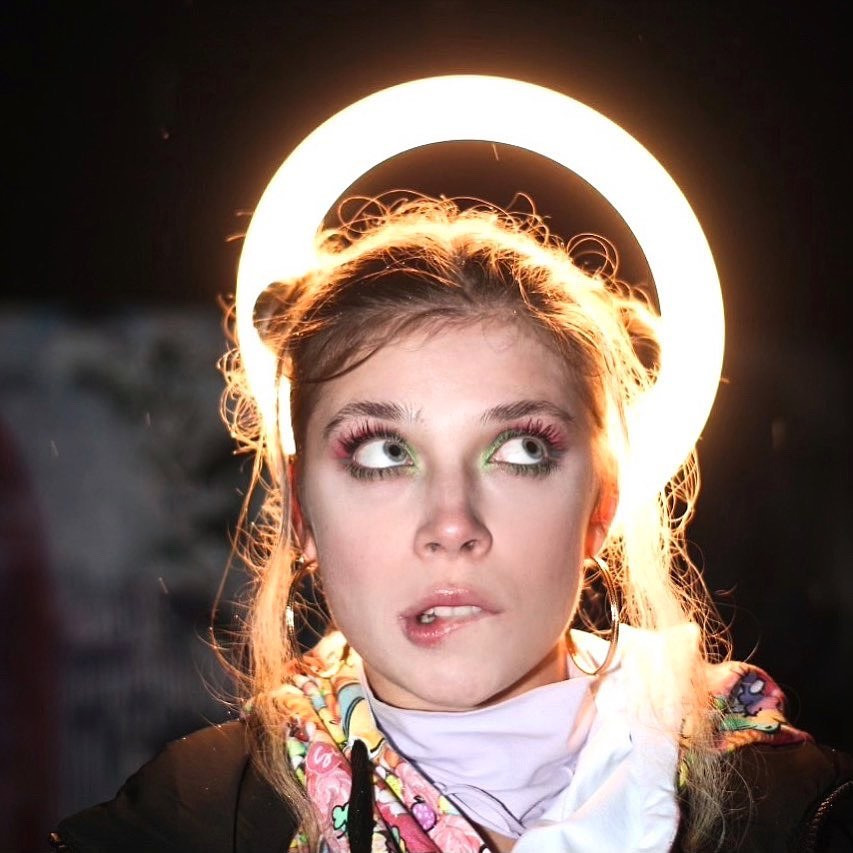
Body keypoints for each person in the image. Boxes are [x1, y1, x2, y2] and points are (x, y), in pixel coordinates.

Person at [52, 198, 852, 852]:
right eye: (383, 452)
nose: (450, 525)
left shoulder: (799, 810)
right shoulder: (185, 823)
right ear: (301, 513)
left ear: (601, 505)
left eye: (520, 449)